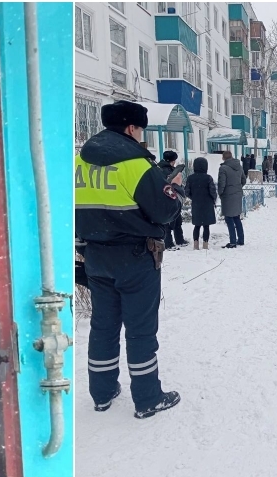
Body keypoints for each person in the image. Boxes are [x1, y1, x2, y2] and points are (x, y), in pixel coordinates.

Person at [74, 100, 182, 419]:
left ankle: (103, 392)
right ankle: (148, 397)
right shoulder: (135, 164)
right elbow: (164, 210)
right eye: (141, 130)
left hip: (96, 258)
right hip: (135, 257)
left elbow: (79, 211)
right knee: (140, 329)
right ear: (131, 128)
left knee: (103, 327)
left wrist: (82, 253)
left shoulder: (82, 163)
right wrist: (173, 191)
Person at [157, 151, 188, 250]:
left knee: (171, 220)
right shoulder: (170, 172)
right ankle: (171, 242)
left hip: (162, 198)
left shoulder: (158, 169)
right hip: (170, 197)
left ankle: (174, 241)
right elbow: (174, 185)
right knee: (174, 220)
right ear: (173, 161)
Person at [185, 157, 217, 250]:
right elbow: (213, 191)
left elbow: (186, 192)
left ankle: (196, 244)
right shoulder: (208, 178)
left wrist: (194, 197)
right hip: (207, 204)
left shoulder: (190, 178)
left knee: (197, 225)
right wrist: (213, 199)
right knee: (206, 225)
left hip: (196, 204)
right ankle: (205, 244)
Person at [217, 151, 246, 248]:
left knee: (229, 218)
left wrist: (220, 193)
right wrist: (237, 188)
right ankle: (241, 239)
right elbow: (244, 180)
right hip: (237, 194)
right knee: (237, 218)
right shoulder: (239, 166)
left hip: (228, 196)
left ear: (223, 158)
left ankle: (233, 242)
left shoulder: (223, 168)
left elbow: (222, 184)